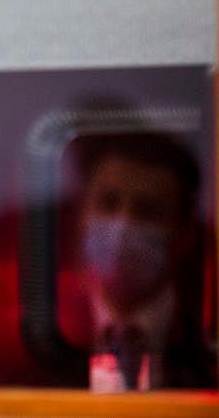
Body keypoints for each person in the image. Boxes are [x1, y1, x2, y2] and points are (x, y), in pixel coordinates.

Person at [72, 133, 215, 389]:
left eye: (148, 211)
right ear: (81, 213)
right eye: (109, 202)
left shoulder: (208, 346)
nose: (122, 227)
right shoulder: (39, 339)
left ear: (185, 233)